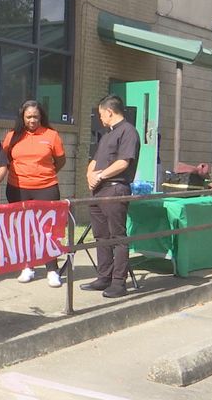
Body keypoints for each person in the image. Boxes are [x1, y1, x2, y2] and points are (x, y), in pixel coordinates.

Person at [82, 95, 141, 298]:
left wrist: (100, 176)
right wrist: (90, 175)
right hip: (98, 190)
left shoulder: (128, 132)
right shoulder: (107, 134)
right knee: (101, 235)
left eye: (101, 114)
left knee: (117, 237)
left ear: (109, 111)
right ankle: (104, 276)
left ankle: (118, 282)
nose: (100, 118)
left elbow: (123, 162)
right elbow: (94, 160)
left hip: (115, 188)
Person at [2, 100, 66, 288]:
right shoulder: (12, 136)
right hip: (18, 188)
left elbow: (60, 161)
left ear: (41, 117)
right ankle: (27, 266)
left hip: (46, 188)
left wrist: (44, 174)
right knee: (23, 230)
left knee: (48, 230)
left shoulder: (51, 135)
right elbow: (5, 159)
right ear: (22, 117)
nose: (32, 120)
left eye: (35, 117)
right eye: (28, 117)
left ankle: (52, 269)